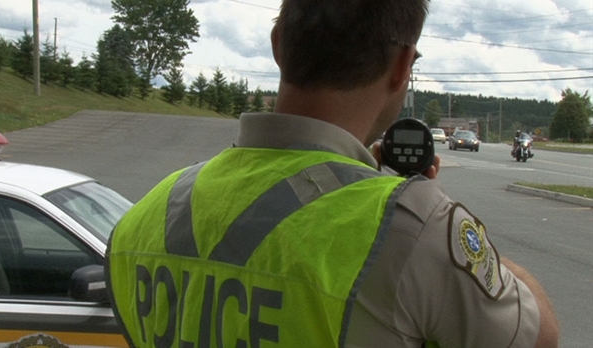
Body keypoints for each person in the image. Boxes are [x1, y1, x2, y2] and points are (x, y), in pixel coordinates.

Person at [105, 1, 560, 347]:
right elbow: (542, 336)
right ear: (403, 67)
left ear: (279, 42)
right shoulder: (418, 230)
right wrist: (432, 223)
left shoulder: (142, 218)